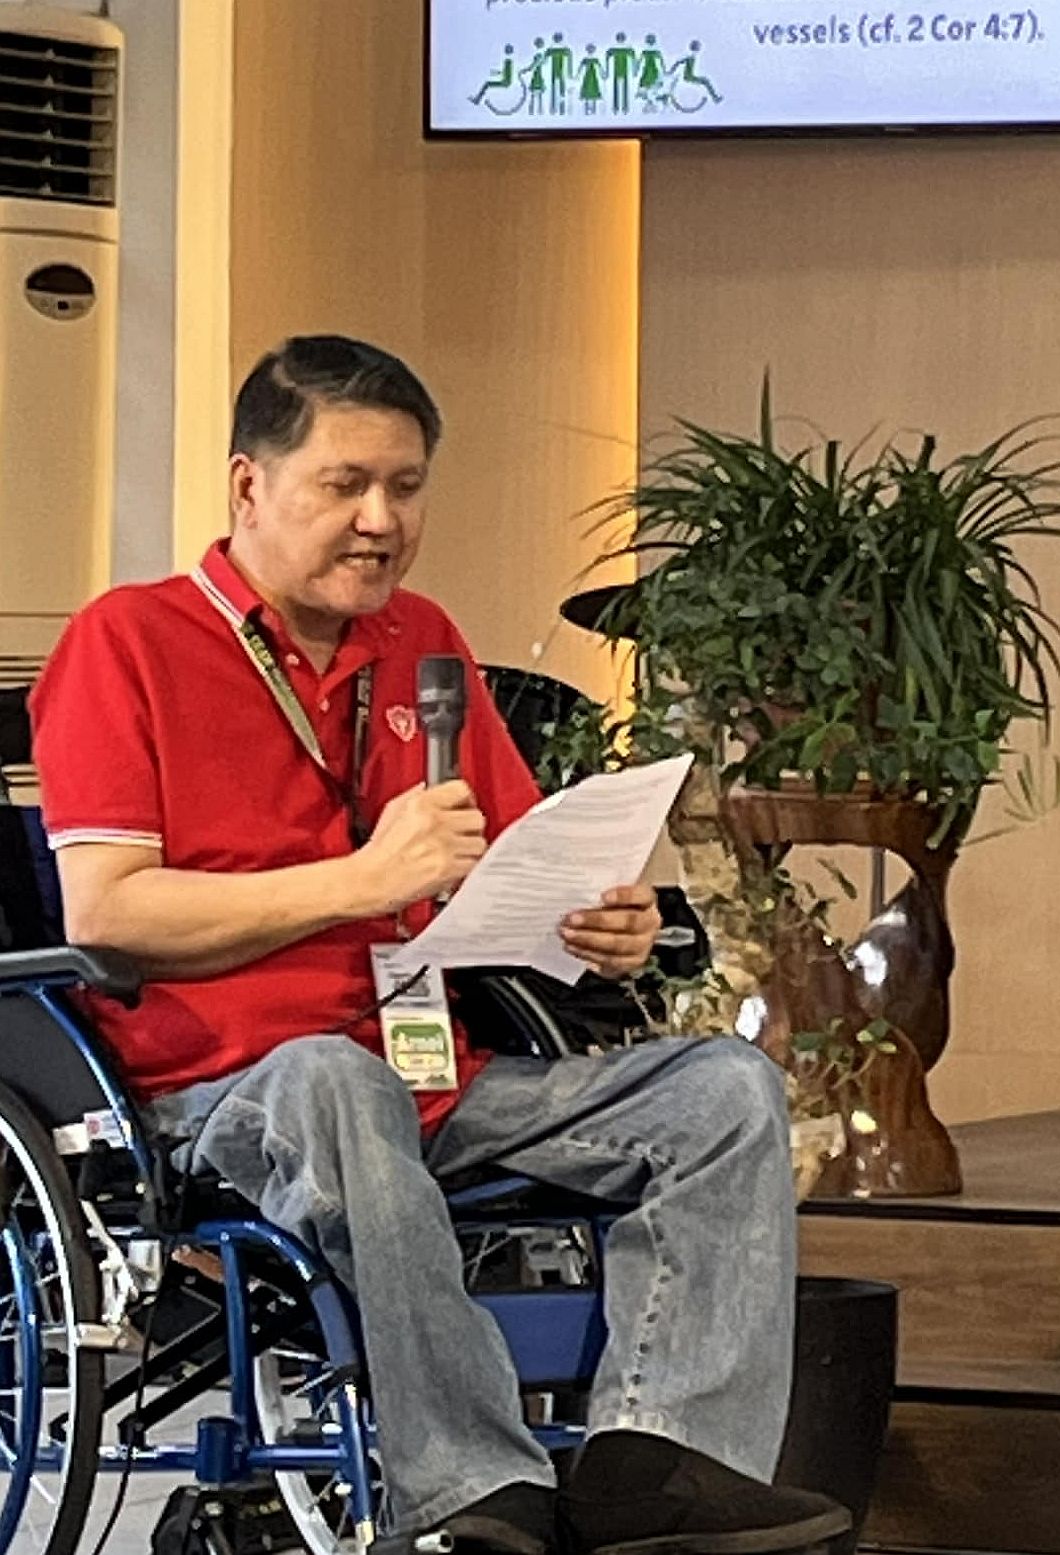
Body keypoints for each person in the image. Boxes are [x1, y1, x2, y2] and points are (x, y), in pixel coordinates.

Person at [31, 337, 835, 1555]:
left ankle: (659, 1462)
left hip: (428, 1072)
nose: (379, 520)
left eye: (405, 488)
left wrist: (593, 928)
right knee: (336, 1078)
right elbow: (107, 914)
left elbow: (507, 868)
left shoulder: (424, 643)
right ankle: (471, 1485)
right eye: (344, 484)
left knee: (723, 1088)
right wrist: (358, 880)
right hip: (222, 1090)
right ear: (250, 485)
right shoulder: (126, 641)